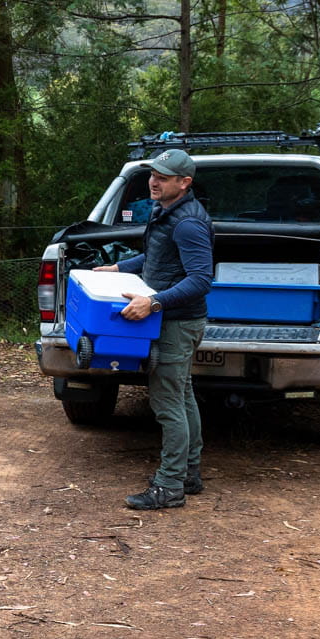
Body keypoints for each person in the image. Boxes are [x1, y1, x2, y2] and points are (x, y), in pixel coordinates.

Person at [94, 148, 214, 511]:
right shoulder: (168, 212)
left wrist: (154, 302)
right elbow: (157, 256)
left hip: (176, 323)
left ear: (184, 182)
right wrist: (120, 269)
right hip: (177, 320)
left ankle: (169, 486)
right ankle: (188, 474)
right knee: (183, 395)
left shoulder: (187, 222)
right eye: (152, 174)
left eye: (162, 177)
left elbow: (201, 279)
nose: (153, 181)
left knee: (166, 404)